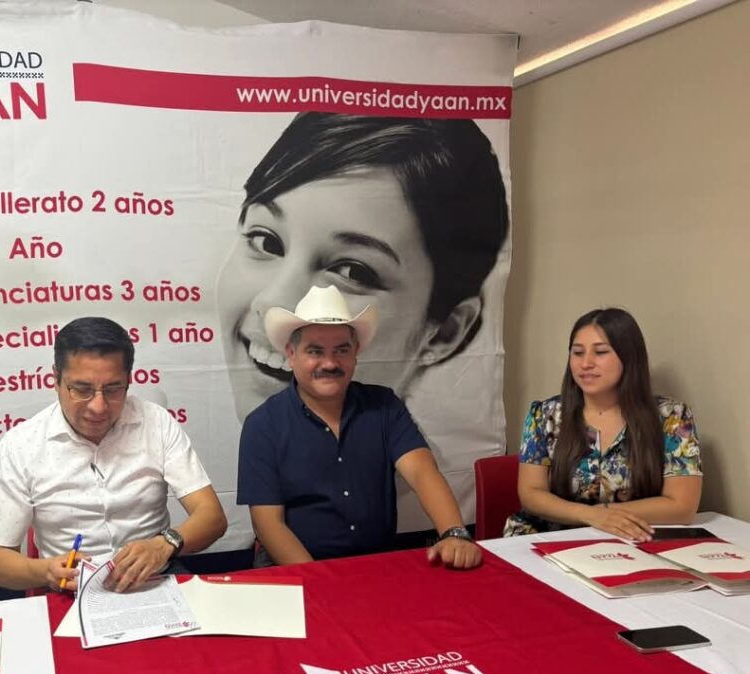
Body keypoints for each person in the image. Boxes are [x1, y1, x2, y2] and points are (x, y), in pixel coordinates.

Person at [217, 112, 509, 423]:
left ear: (445, 333)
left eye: (353, 271)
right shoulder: (256, 438)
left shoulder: (400, 444)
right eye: (266, 242)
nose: (274, 303)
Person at [236, 285, 482, 568]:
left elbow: (422, 472)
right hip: (296, 569)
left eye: (341, 350)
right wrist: (321, 580)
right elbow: (268, 525)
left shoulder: (385, 406)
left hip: (375, 564)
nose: (330, 363)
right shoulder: (262, 425)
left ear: (356, 353)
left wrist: (454, 533)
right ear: (291, 354)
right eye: (315, 351)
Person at [0, 317, 227, 592]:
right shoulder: (22, 445)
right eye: (81, 390)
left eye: (113, 389)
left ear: (129, 381)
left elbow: (212, 517)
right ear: (55, 379)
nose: (98, 406)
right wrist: (45, 571)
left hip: (155, 578)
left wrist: (164, 544)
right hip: (71, 589)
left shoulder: (156, 423)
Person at [505, 308, 702, 540]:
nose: (586, 363)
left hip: (629, 538)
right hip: (549, 536)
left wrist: (608, 515)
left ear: (629, 357)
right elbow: (531, 494)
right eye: (577, 353)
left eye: (600, 352)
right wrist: (591, 516)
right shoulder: (544, 415)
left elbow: (682, 506)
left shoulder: (672, 417)